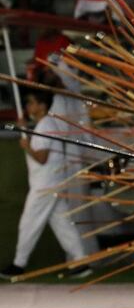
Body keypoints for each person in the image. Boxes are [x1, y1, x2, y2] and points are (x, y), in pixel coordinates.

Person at [1, 91, 88, 280]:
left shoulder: (45, 125)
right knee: (62, 224)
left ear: (42, 106)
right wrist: (23, 129)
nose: (28, 107)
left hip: (45, 185)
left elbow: (42, 157)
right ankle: (82, 260)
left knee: (28, 223)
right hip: (49, 182)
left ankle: (18, 264)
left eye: (31, 103)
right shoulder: (45, 124)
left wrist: (27, 146)